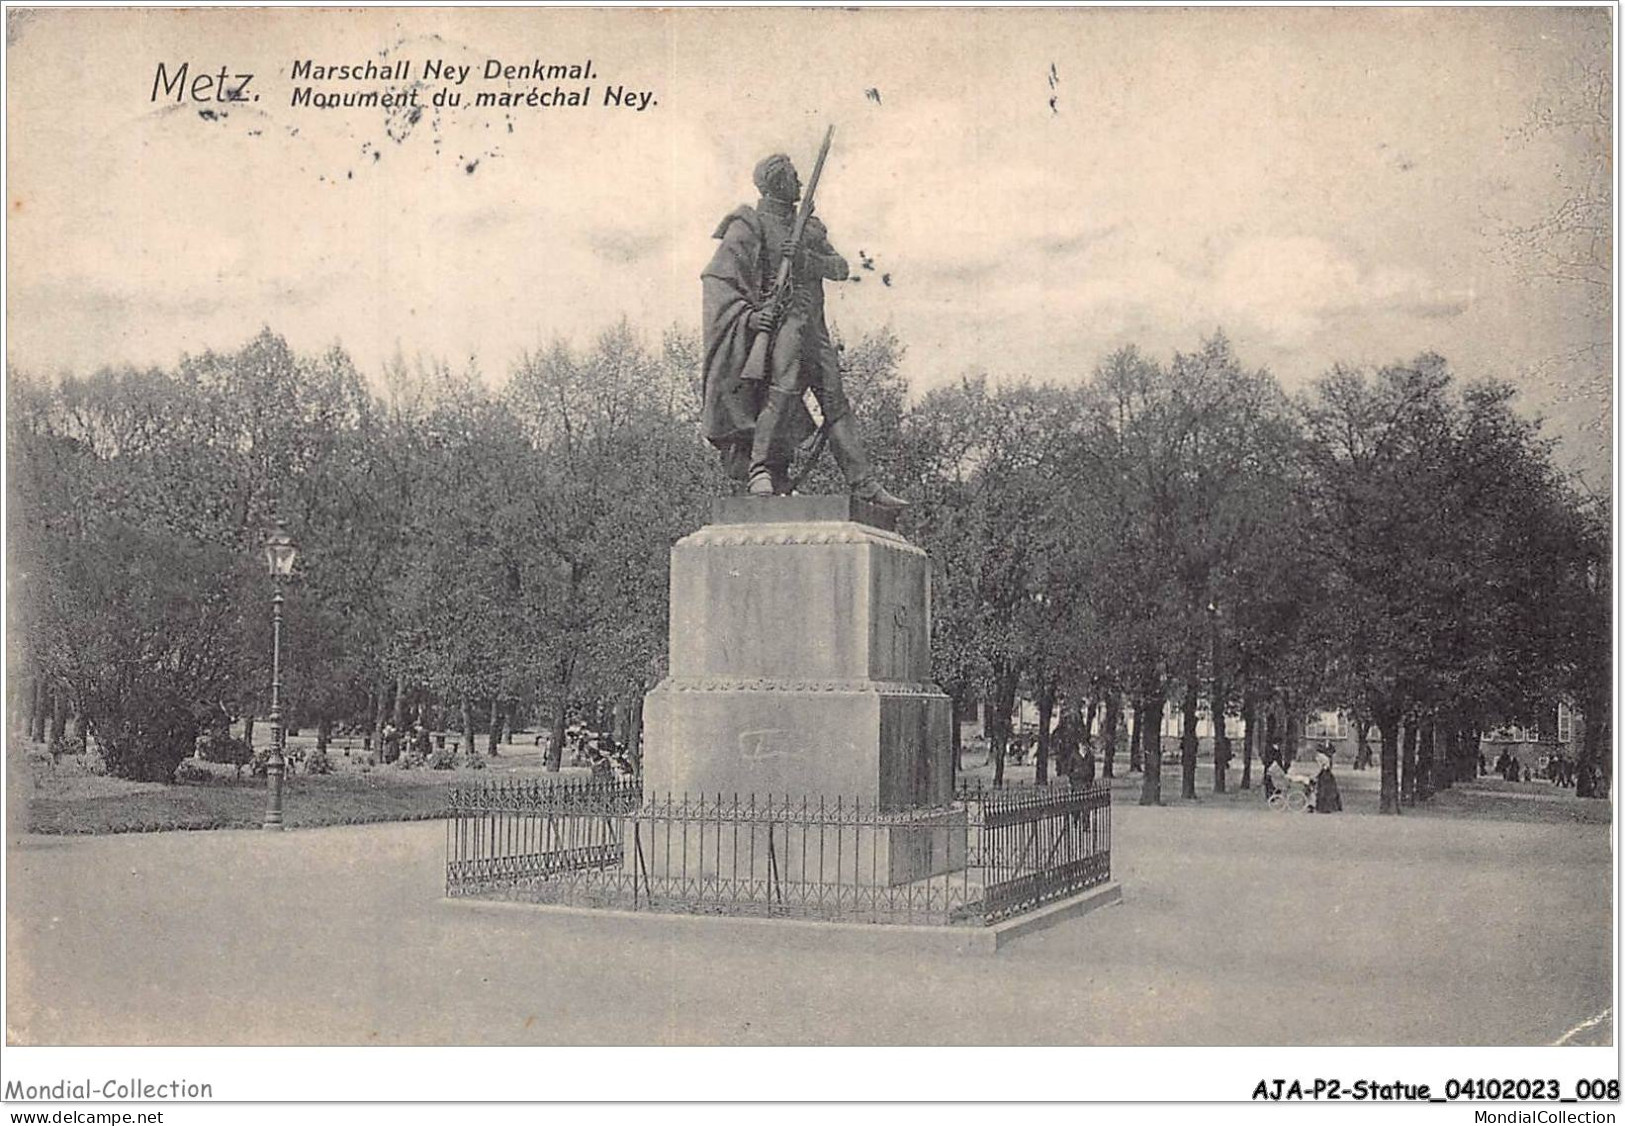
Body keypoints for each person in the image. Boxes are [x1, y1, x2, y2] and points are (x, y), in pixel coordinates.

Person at [701, 151, 906, 507]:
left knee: (835, 401)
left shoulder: (807, 227)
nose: (799, 183)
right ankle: (759, 470)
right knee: (782, 391)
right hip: (782, 326)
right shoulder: (749, 226)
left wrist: (806, 260)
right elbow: (719, 284)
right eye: (793, 177)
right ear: (777, 182)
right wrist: (751, 319)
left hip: (815, 329)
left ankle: (864, 483)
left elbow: (840, 267)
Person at [1313, 746, 1342, 813]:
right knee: (1329, 791)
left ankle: (1323, 808)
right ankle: (1330, 807)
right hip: (1328, 775)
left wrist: (1316, 775)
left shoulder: (1321, 758)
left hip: (1324, 775)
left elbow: (1321, 768)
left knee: (1323, 791)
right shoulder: (1327, 758)